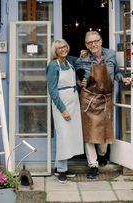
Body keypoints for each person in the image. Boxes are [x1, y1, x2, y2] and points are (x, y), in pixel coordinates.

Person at [75, 31, 131, 179]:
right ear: (86, 45)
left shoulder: (111, 55)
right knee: (88, 134)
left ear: (101, 41)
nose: (93, 45)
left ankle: (101, 155)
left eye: (95, 41)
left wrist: (122, 79)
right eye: (89, 43)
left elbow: (117, 72)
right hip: (88, 99)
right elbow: (76, 73)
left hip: (105, 99)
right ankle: (93, 165)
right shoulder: (82, 58)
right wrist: (79, 82)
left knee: (104, 133)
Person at [46, 39, 84, 183]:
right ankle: (62, 170)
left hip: (73, 103)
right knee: (63, 137)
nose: (62, 49)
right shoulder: (53, 66)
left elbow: (82, 61)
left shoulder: (68, 62)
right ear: (55, 51)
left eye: (64, 47)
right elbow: (53, 91)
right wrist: (63, 110)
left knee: (70, 136)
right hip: (62, 104)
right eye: (59, 48)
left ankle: (59, 167)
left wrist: (80, 84)